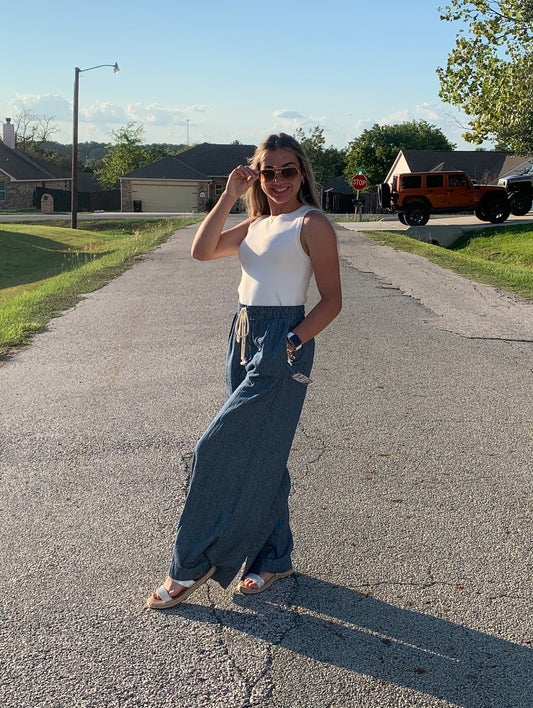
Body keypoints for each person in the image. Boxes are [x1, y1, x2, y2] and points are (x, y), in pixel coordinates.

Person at [147, 133, 342, 609]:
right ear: (257, 175)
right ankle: (274, 558)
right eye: (268, 171)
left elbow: (333, 301)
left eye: (288, 171)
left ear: (302, 174)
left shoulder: (311, 222)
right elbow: (201, 249)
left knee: (214, 449)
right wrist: (230, 196)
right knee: (267, 452)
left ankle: (188, 564)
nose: (279, 180)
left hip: (282, 340)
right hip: (242, 333)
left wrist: (291, 343)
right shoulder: (255, 223)